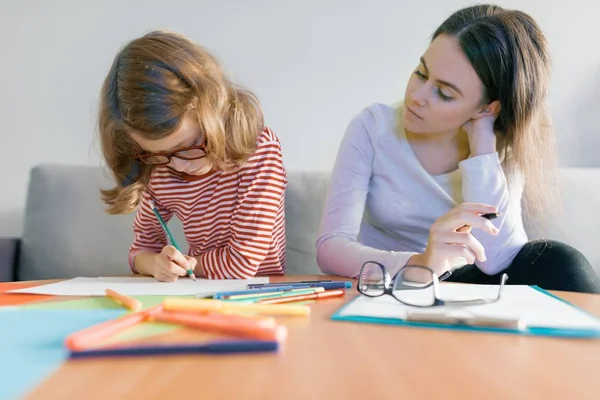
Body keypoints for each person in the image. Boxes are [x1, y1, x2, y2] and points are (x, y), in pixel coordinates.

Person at [316, 4, 600, 293]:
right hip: (392, 286)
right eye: (421, 73)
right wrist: (421, 263)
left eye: (444, 93)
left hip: (461, 287)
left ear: (487, 108)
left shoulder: (503, 155)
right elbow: (331, 247)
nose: (417, 96)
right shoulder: (372, 127)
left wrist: (483, 151)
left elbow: (498, 261)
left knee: (563, 264)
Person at [98, 30, 287, 282]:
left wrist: (186, 264)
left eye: (190, 144)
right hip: (196, 293)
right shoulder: (158, 166)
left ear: (211, 105)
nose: (179, 165)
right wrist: (157, 264)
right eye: (159, 155)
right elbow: (140, 251)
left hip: (262, 293)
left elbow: (242, 264)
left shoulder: (259, 149)